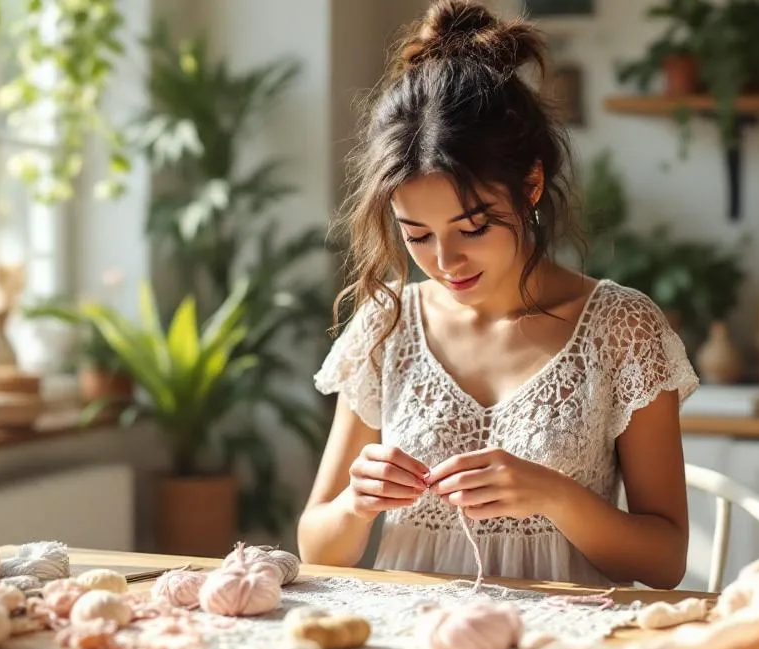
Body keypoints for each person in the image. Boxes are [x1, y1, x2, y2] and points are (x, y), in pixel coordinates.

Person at [297, 0, 699, 588]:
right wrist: (356, 504)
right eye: (417, 235)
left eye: (474, 227)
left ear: (530, 184)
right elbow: (316, 545)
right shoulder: (387, 326)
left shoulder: (621, 328)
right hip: (412, 643)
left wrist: (554, 495)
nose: (445, 261)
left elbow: (665, 561)